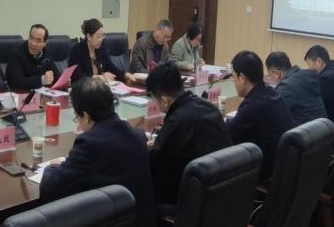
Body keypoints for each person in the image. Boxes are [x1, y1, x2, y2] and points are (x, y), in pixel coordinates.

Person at [40, 77, 154, 227]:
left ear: (86, 116)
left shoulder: (89, 144)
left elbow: (49, 189)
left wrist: (53, 166)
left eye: (77, 117)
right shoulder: (137, 135)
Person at [146, 60, 232, 208]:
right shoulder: (207, 107)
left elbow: (155, 161)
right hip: (222, 195)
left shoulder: (178, 121)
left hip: (192, 203)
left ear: (164, 101)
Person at [227, 50, 295, 181]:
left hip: (266, 176)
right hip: (284, 171)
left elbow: (229, 134)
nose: (233, 81)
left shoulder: (253, 104)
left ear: (242, 78)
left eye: (233, 76)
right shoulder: (272, 94)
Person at [264, 51, 327, 126]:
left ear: (277, 74)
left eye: (270, 76)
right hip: (321, 130)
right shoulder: (306, 77)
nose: (269, 78)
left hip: (303, 132)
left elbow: (270, 113)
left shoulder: (286, 87)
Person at [68, 19, 134, 84]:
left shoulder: (101, 47)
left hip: (100, 86)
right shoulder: (76, 50)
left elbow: (110, 67)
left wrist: (125, 75)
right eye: (98, 36)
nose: (101, 40)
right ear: (89, 36)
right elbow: (76, 76)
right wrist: (99, 77)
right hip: (84, 87)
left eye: (102, 36)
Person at [6, 24, 60, 90]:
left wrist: (64, 81)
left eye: (38, 40)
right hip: (21, 94)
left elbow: (56, 76)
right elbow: (17, 82)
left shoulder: (46, 54)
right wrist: (42, 79)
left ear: (45, 43)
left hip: (40, 93)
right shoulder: (17, 54)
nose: (33, 43)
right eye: (31, 38)